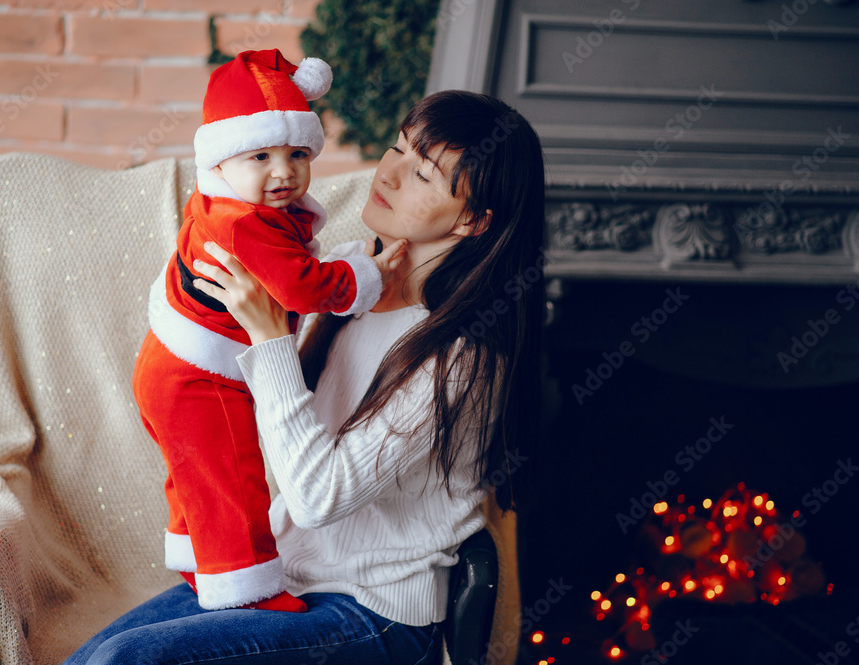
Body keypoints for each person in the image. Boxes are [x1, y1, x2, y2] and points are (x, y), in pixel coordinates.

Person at [66, 88, 546, 665]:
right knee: (92, 654)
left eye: (421, 173)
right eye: (397, 149)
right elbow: (273, 431)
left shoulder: (461, 358)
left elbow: (318, 495)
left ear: (473, 218)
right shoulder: (349, 278)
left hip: (375, 614)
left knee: (124, 662)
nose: (389, 175)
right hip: (287, 576)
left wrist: (271, 339)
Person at [133, 48, 403, 613]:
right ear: (223, 160)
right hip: (200, 374)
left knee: (195, 477)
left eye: (298, 153)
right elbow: (303, 287)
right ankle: (247, 588)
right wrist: (363, 277)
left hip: (168, 364)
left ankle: (199, 563)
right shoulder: (245, 223)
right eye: (261, 155)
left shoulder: (219, 200)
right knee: (231, 477)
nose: (284, 172)